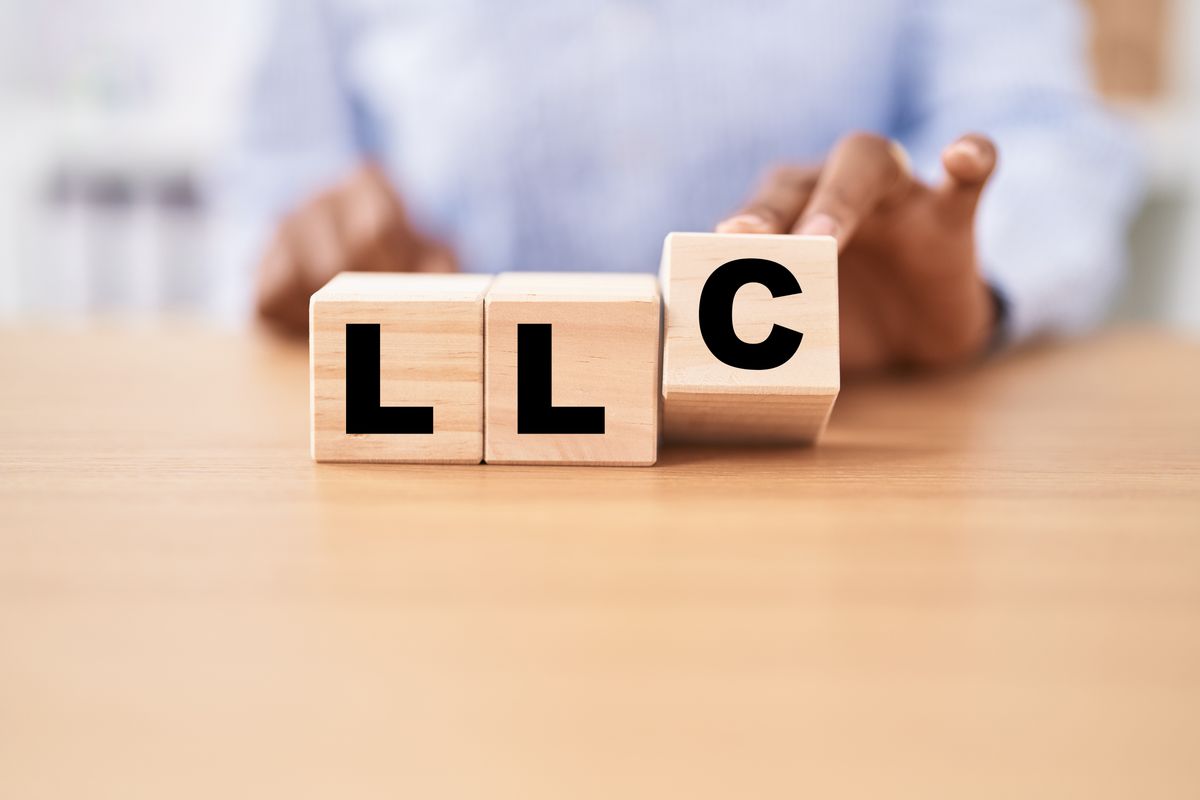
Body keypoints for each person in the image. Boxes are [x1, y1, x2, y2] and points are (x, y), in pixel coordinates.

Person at [229, 0, 1144, 373]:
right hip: (437, 492)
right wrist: (307, 249)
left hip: (853, 470)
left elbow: (1041, 136)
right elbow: (269, 180)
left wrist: (974, 273)